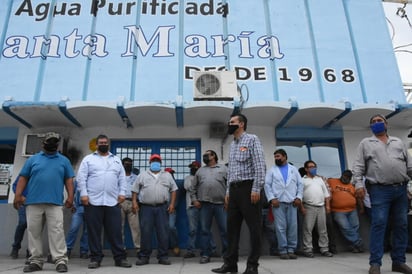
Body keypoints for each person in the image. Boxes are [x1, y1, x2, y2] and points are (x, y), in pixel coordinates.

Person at [352, 114, 412, 274]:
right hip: (379, 190)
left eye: (380, 121)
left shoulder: (398, 142)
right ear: (371, 127)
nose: (377, 123)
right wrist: (358, 184)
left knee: (402, 225)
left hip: (400, 190)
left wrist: (409, 188)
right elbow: (358, 167)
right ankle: (375, 264)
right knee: (379, 224)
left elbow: (409, 167)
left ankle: (398, 262)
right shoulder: (366, 143)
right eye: (373, 122)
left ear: (386, 124)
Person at [212, 113, 266, 274]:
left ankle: (252, 266)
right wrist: (228, 192)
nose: (229, 124)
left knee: (254, 229)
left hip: (249, 189)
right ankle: (230, 264)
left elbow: (260, 166)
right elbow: (232, 172)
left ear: (241, 124)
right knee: (232, 229)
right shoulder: (233, 145)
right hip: (234, 191)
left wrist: (256, 188)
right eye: (229, 122)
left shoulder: (252, 139)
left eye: (232, 122)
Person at [13, 132, 74, 273]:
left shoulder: (64, 160)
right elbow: (23, 178)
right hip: (33, 202)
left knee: (57, 231)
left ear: (57, 145)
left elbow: (69, 180)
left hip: (55, 203)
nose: (51, 144)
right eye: (49, 142)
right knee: (34, 232)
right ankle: (35, 261)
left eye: (54, 142)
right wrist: (18, 196)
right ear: (43, 144)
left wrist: (70, 197)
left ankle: (60, 260)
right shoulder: (33, 159)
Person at [77, 134, 131, 269]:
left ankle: (120, 258)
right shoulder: (88, 159)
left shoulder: (116, 160)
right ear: (96, 145)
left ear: (108, 144)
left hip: (112, 202)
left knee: (115, 232)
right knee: (94, 232)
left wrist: (122, 193)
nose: (103, 144)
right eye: (100, 142)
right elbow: (81, 178)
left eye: (105, 142)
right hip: (92, 201)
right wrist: (83, 194)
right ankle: (95, 258)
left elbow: (122, 179)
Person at [132, 154, 178, 266]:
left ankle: (163, 256)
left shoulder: (167, 175)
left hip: (162, 207)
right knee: (146, 232)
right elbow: (135, 190)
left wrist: (172, 204)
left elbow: (174, 190)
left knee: (163, 233)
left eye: (157, 160)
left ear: (161, 163)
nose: (155, 162)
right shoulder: (142, 175)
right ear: (150, 163)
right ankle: (144, 257)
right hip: (146, 208)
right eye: (153, 160)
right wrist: (134, 202)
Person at [264, 149, 303, 260]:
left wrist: (299, 197)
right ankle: (282, 250)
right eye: (275, 157)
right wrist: (272, 199)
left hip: (292, 202)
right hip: (278, 203)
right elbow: (267, 185)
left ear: (285, 157)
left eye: (278, 156)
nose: (276, 158)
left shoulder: (293, 170)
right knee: (280, 227)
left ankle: (291, 250)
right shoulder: (272, 170)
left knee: (292, 227)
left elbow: (300, 184)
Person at [191, 150, 228, 264]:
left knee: (225, 230)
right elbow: (193, 188)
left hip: (221, 205)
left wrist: (228, 198)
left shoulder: (223, 169)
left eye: (207, 155)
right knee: (204, 230)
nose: (205, 157)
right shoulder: (200, 171)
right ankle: (205, 255)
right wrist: (194, 200)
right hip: (204, 205)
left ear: (214, 156)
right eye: (204, 155)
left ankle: (227, 255)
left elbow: (230, 185)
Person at [299, 160, 333, 258]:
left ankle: (324, 249)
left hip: (321, 207)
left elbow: (326, 194)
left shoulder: (320, 179)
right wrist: (302, 208)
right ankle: (308, 249)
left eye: (314, 166)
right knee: (307, 229)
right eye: (310, 167)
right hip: (308, 207)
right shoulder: (302, 180)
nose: (313, 168)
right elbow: (299, 196)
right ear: (306, 169)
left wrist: (328, 206)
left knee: (323, 230)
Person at [327, 170, 363, 253]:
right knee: (345, 227)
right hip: (338, 211)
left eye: (348, 178)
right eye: (345, 176)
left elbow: (358, 198)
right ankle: (359, 243)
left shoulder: (351, 186)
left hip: (352, 210)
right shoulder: (332, 181)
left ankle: (354, 247)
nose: (346, 179)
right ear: (342, 175)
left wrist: (361, 208)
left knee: (355, 227)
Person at [120, 157, 140, 255]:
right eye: (126, 164)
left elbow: (138, 191)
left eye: (130, 164)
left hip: (132, 202)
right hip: (120, 203)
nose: (128, 166)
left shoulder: (136, 177)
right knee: (120, 227)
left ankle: (138, 249)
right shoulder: (118, 177)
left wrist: (135, 202)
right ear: (122, 165)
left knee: (136, 227)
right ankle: (122, 249)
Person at [65, 180, 89, 259]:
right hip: (78, 207)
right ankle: (67, 250)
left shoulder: (94, 179)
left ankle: (84, 251)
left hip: (90, 208)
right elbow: (72, 193)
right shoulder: (78, 181)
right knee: (73, 228)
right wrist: (72, 205)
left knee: (87, 231)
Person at [183, 160, 201, 258]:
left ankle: (211, 249)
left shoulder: (203, 177)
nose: (193, 169)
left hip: (203, 206)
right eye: (192, 167)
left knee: (206, 229)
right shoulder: (188, 178)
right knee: (192, 230)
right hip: (191, 206)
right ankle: (191, 251)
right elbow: (188, 187)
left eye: (195, 167)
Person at [10, 176, 29, 260]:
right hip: (23, 203)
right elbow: (14, 186)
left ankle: (31, 250)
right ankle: (15, 247)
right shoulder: (25, 172)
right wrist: (20, 196)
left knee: (35, 226)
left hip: (35, 203)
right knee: (22, 223)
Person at [164, 167, 180, 257]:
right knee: (161, 228)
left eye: (172, 174)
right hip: (161, 209)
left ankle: (174, 245)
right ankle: (163, 247)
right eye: (169, 174)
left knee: (171, 227)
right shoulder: (161, 184)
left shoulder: (178, 186)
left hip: (172, 210)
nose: (170, 176)